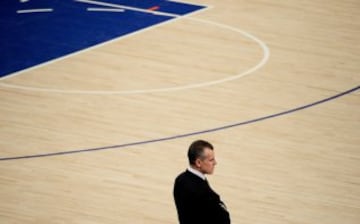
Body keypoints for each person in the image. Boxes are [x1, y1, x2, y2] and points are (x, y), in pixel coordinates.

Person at [173, 140, 230, 224]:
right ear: (198, 162)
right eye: (211, 160)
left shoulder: (180, 180)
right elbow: (223, 219)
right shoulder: (204, 194)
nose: (215, 163)